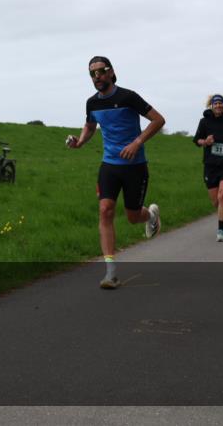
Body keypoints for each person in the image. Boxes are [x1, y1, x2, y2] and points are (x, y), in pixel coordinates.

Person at [67, 56, 165, 289]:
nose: (97, 76)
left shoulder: (128, 97)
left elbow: (158, 120)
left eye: (101, 71)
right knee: (105, 210)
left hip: (135, 166)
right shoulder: (92, 103)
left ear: (111, 72)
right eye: (92, 73)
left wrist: (137, 142)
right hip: (109, 165)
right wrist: (79, 142)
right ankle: (110, 272)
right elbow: (91, 126)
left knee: (133, 217)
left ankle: (151, 216)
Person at [193, 94, 223, 242]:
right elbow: (196, 140)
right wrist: (205, 142)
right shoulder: (204, 122)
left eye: (221, 103)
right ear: (212, 106)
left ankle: (221, 230)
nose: (218, 105)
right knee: (216, 202)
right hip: (210, 165)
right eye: (216, 103)